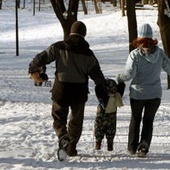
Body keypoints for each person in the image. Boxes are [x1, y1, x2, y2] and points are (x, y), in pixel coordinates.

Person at [28, 21, 107, 157]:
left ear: (71, 32)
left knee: (58, 118)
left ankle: (63, 136)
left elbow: (42, 57)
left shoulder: (59, 47)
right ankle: (71, 147)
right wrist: (104, 89)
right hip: (79, 92)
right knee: (76, 121)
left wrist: (32, 68)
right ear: (84, 34)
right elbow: (97, 75)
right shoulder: (88, 54)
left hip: (61, 90)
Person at [115, 23, 170, 157]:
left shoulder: (135, 55)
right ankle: (144, 146)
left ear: (139, 38)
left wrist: (118, 78)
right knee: (148, 121)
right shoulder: (160, 53)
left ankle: (132, 147)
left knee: (135, 119)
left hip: (138, 94)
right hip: (155, 94)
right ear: (152, 38)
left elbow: (129, 74)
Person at [94, 79, 125, 151]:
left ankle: (98, 142)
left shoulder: (102, 98)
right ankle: (110, 144)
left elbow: (97, 89)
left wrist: (99, 83)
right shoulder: (116, 97)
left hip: (101, 114)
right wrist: (121, 81)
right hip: (112, 115)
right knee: (111, 128)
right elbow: (121, 88)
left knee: (99, 127)